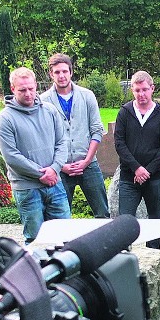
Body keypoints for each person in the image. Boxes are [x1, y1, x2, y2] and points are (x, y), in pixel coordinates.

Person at [0, 67, 71, 243]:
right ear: (12, 88)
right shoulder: (5, 118)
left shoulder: (50, 111)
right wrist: (41, 174)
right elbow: (11, 156)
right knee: (35, 239)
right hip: (27, 188)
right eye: (22, 90)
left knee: (65, 236)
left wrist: (54, 170)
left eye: (31, 88)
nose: (28, 94)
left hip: (55, 184)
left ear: (36, 85)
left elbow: (62, 143)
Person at [40, 53, 109, 218]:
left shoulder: (87, 96)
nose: (61, 76)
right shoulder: (43, 101)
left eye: (65, 71)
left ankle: (105, 244)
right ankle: (65, 245)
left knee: (102, 213)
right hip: (60, 168)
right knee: (60, 217)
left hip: (88, 164)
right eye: (57, 72)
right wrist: (60, 165)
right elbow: (44, 138)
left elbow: (96, 130)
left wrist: (86, 161)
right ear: (51, 74)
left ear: (71, 72)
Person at [114, 71, 160, 249]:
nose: (141, 94)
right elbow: (119, 143)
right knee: (125, 221)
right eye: (137, 90)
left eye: (145, 90)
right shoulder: (124, 113)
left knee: (155, 220)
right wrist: (136, 168)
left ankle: (153, 256)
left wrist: (147, 170)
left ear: (152, 89)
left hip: (154, 178)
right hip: (128, 177)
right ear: (132, 90)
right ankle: (124, 257)